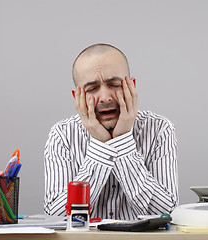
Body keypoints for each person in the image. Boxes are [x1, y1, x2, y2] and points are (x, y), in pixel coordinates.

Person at [44, 43, 179, 220]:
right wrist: (101, 147)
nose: (106, 97)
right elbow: (57, 217)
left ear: (131, 86)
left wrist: (122, 141)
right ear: (77, 96)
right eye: (92, 89)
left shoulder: (159, 129)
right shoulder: (62, 135)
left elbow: (165, 214)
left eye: (114, 84)